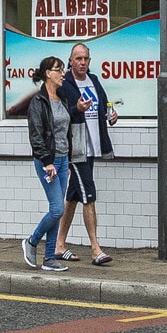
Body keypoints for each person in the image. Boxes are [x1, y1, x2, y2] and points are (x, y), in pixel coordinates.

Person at [52, 40, 117, 266]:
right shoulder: (64, 84)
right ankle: (96, 249)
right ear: (70, 61)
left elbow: (104, 105)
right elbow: (57, 115)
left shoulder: (94, 80)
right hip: (75, 149)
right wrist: (75, 109)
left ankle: (59, 245)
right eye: (78, 59)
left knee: (73, 196)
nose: (82, 62)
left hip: (92, 147)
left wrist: (111, 114)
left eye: (85, 59)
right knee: (88, 194)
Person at [22, 55, 73, 274]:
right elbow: (36, 136)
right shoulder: (38, 102)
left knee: (57, 211)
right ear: (47, 74)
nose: (63, 73)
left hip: (63, 160)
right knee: (57, 208)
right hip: (48, 162)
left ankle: (49, 258)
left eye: (62, 69)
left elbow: (64, 131)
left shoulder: (62, 97)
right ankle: (32, 242)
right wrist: (47, 161)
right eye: (58, 70)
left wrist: (66, 160)